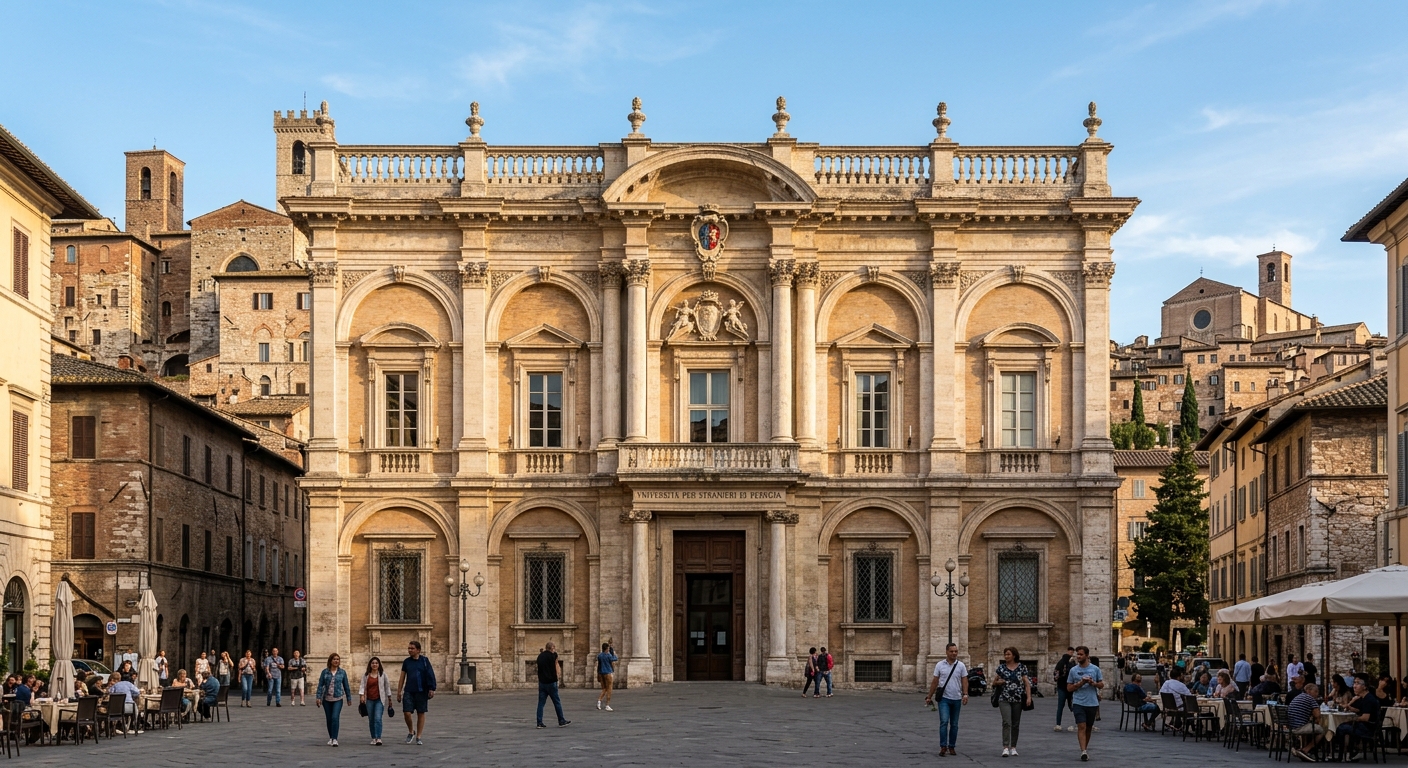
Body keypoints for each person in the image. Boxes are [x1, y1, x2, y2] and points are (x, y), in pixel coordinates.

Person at [924, 642, 968, 757]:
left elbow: (964, 680)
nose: (954, 653)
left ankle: (952, 746)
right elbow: (935, 681)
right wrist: (929, 696)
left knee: (954, 724)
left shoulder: (961, 666)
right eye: (952, 651)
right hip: (944, 699)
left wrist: (965, 694)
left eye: (956, 651)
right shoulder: (940, 665)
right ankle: (943, 746)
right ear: (946, 652)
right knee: (944, 722)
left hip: (957, 698)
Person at [1065, 645, 1104, 762]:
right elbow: (1069, 688)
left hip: (1092, 702)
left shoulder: (1095, 669)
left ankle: (1085, 748)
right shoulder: (1073, 670)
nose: (1078, 656)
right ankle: (1083, 751)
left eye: (1081, 654)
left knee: (1088, 728)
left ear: (1087, 656)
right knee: (1081, 726)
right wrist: (1080, 683)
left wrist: (1093, 683)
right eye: (1078, 654)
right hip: (1078, 702)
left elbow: (1101, 684)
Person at [1330, 674, 1380, 761]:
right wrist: (1350, 707)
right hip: (1364, 725)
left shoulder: (1369, 699)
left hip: (1368, 728)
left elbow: (1365, 717)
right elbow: (1359, 710)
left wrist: (1353, 719)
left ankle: (1343, 754)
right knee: (1343, 726)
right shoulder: (1362, 698)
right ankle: (1349, 752)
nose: (1354, 686)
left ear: (1364, 687)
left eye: (1357, 683)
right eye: (1354, 683)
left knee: (1341, 728)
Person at [397, 640, 437, 745]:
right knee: (406, 712)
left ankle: (419, 736)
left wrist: (432, 688)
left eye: (412, 648)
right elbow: (402, 677)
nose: (409, 650)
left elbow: (430, 674)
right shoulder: (406, 662)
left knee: (421, 712)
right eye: (409, 648)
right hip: (409, 690)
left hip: (422, 690)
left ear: (418, 650)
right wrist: (399, 691)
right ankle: (411, 731)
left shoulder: (424, 661)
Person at [995, 646, 1032, 757]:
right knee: (1007, 722)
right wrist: (999, 682)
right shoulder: (1001, 668)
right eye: (1005, 654)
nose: (1006, 656)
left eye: (1008, 654)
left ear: (1014, 655)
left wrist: (1029, 697)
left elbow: (1027, 683)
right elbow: (993, 682)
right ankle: (1005, 747)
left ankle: (1013, 747)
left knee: (1016, 723)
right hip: (1004, 698)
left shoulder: (1022, 668)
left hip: (1017, 698)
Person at [314, 653, 352, 747]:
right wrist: (318, 697)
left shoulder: (342, 672)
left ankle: (335, 739)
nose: (336, 661)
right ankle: (331, 737)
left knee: (335, 717)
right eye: (334, 659)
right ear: (330, 661)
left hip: (338, 698)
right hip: (326, 699)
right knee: (329, 719)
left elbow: (346, 686)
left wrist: (348, 697)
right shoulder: (325, 672)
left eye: (338, 659)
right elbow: (320, 685)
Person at [535, 641, 570, 729]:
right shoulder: (553, 656)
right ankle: (561, 720)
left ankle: (539, 722)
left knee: (541, 703)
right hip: (551, 683)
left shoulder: (540, 656)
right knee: (557, 702)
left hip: (542, 683)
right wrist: (558, 676)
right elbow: (556, 664)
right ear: (552, 648)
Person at [1287, 682, 1324, 761]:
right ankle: (1306, 750)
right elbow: (1317, 715)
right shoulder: (1310, 698)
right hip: (1299, 726)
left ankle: (1302, 748)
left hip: (1292, 726)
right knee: (1321, 731)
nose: (1317, 694)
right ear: (1309, 691)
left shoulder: (1298, 697)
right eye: (1316, 691)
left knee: (1309, 726)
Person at [360, 657, 391, 746]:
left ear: (379, 665)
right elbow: (362, 685)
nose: (374, 664)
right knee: (371, 719)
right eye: (373, 663)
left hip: (379, 700)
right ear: (370, 664)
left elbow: (387, 686)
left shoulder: (383, 674)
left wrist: (389, 698)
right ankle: (373, 737)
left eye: (376, 663)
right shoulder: (366, 675)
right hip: (369, 700)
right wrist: (361, 696)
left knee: (378, 718)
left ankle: (378, 738)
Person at [1053, 646, 1075, 732]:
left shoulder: (1062, 662)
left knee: (1062, 706)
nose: (1071, 653)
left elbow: (1055, 675)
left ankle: (1058, 724)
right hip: (1066, 687)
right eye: (1070, 652)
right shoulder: (1069, 663)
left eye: (1072, 652)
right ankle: (1077, 723)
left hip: (1064, 687)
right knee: (1072, 706)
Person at [596, 643, 617, 711]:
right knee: (609, 689)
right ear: (607, 649)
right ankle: (607, 705)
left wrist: (598, 674)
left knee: (604, 688)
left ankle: (599, 701)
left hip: (601, 673)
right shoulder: (608, 656)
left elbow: (598, 665)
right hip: (608, 673)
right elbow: (615, 658)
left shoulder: (600, 656)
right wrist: (613, 652)